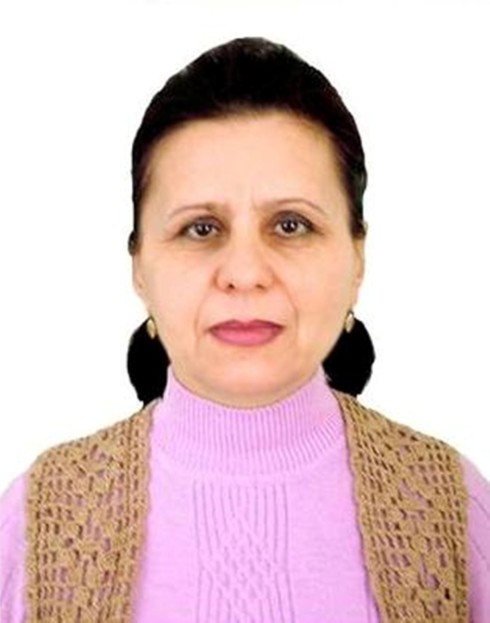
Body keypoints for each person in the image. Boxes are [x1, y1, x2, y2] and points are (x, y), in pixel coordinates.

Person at [1, 36, 489, 623]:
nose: (246, 273)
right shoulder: (39, 520)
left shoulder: (450, 506)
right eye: (201, 228)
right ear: (139, 267)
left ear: (357, 259)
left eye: (291, 224)